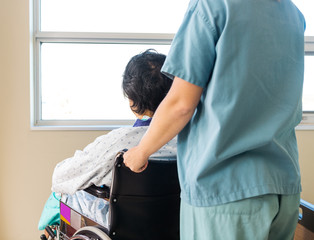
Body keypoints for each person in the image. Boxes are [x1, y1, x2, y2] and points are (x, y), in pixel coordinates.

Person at [124, 1, 306, 239]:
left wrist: (141, 152)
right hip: (284, 186)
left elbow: (181, 104)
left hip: (226, 192)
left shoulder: (213, 6)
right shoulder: (293, 14)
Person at [38, 49, 177, 230]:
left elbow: (60, 177)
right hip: (172, 223)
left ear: (131, 99)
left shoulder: (118, 142)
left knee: (62, 197)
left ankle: (48, 231)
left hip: (123, 226)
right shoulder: (191, 138)